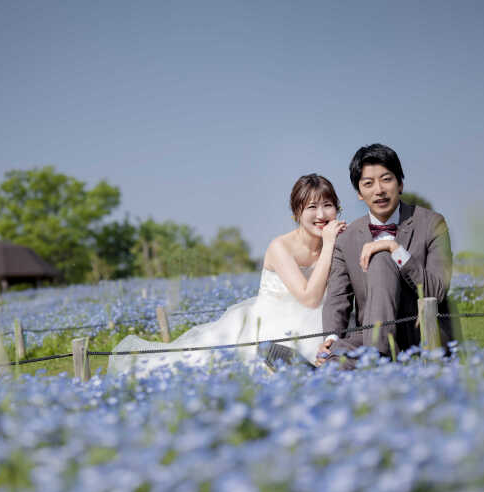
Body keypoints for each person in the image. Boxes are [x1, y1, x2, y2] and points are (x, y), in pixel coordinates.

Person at [108, 174, 346, 376]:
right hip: (269, 328)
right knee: (200, 368)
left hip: (320, 324)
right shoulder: (280, 247)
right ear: (296, 213)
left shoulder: (339, 240)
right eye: (311, 207)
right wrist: (328, 244)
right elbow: (309, 298)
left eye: (328, 205)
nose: (321, 214)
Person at [317, 144, 453, 366]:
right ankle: (358, 357)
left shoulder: (432, 223)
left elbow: (436, 290)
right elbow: (338, 297)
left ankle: (365, 359)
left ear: (400, 184)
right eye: (368, 184)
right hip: (370, 335)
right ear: (360, 194)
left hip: (421, 335)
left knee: (380, 258)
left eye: (386, 179)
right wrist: (331, 338)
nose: (378, 190)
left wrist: (395, 249)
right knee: (338, 349)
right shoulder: (347, 238)